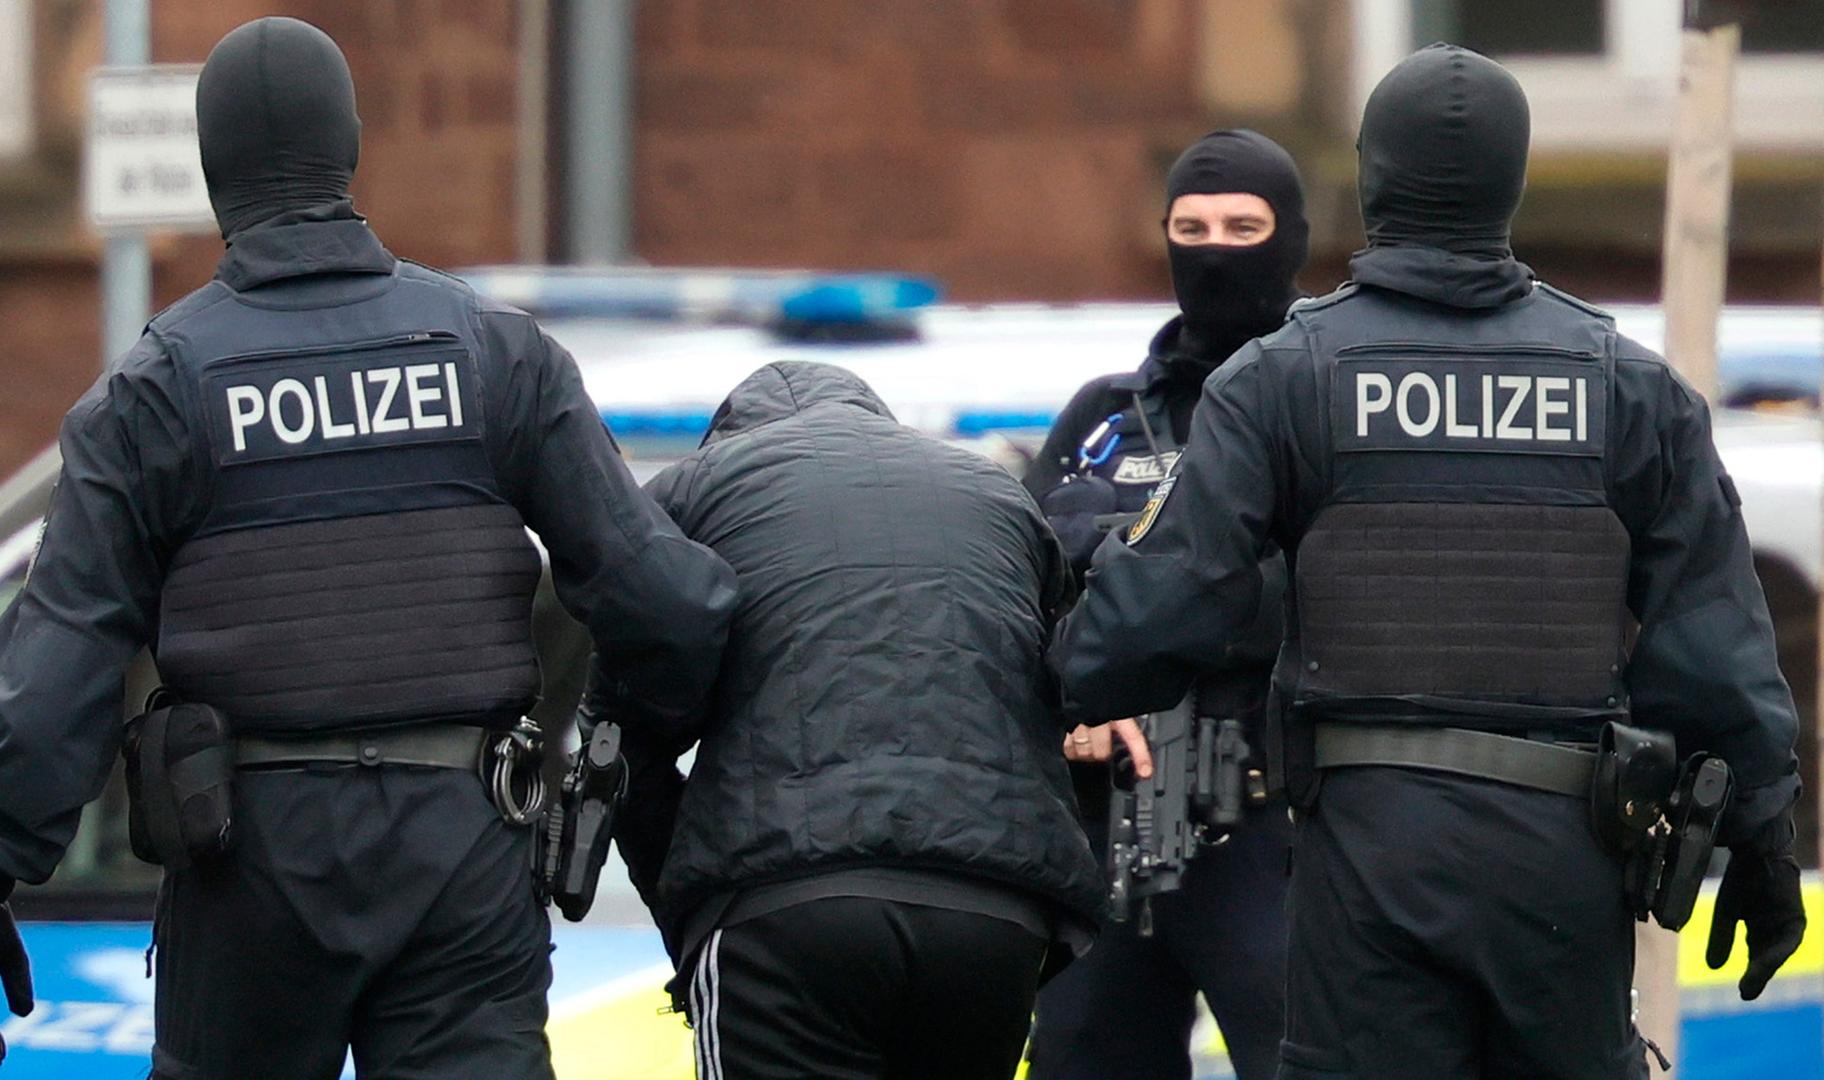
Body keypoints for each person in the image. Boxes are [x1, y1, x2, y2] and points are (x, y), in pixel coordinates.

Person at [0, 17, 735, 1078]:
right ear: (348, 149)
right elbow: (661, 603)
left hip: (251, 865)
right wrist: (629, 745)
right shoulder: (496, 357)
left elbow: (60, 659)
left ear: (215, 173)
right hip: (463, 849)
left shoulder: (156, 393)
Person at [1054, 43, 1806, 1080]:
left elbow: (1165, 605)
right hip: (1563, 863)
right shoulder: (1628, 388)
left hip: (1368, 858)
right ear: (1514, 181)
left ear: (1370, 178)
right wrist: (1762, 835)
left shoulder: (1285, 379)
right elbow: (1714, 639)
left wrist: (1059, 675)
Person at [594, 361, 1102, 1080]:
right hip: (995, 910)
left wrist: (689, 911)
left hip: (788, 900)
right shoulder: (996, 493)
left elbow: (622, 738)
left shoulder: (690, 491)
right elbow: (1063, 674)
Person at [1022, 130, 1303, 1080]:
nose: (1214, 248)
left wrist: (1130, 569)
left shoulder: (1324, 395)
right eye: (1191, 227)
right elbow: (1027, 570)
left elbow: (1320, 583)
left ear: (1290, 237)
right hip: (1107, 819)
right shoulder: (1104, 414)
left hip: (1268, 815)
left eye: (1242, 226)